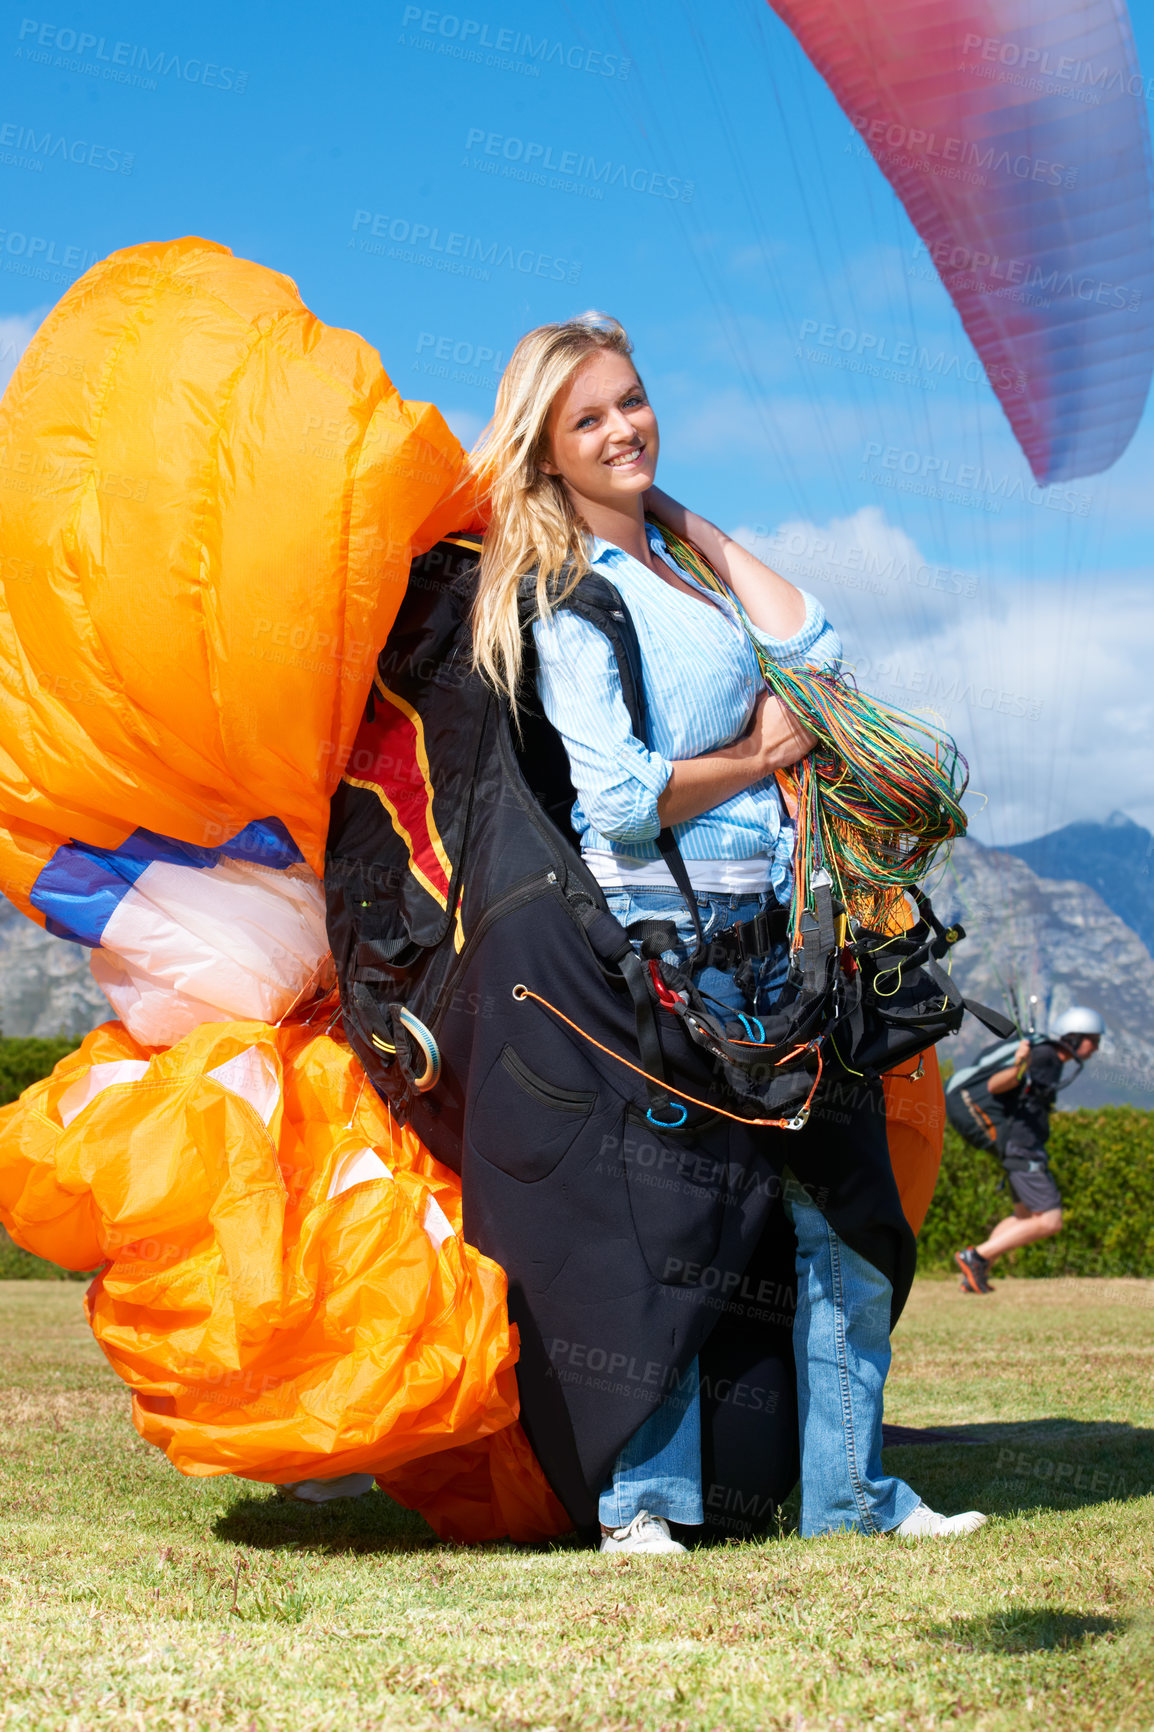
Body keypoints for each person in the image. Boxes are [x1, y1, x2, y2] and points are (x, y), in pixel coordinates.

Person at [469, 311, 986, 1554]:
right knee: (675, 1240)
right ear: (544, 449)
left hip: (775, 941)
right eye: (586, 418)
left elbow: (813, 646)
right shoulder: (567, 601)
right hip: (668, 950)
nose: (620, 427)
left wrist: (685, 519)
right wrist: (755, 753)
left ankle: (850, 1496)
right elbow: (619, 797)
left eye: (632, 401)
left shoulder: (676, 569)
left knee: (847, 1220)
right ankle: (645, 1510)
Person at [955, 1007, 1105, 1295]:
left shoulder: (1053, 1059)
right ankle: (976, 1257)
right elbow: (994, 1085)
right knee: (1050, 1221)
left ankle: (976, 1276)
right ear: (1074, 1038)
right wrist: (1020, 1066)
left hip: (1018, 1147)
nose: (1096, 1048)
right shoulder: (1046, 1056)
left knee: (1023, 1218)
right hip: (1024, 1149)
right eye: (1093, 1040)